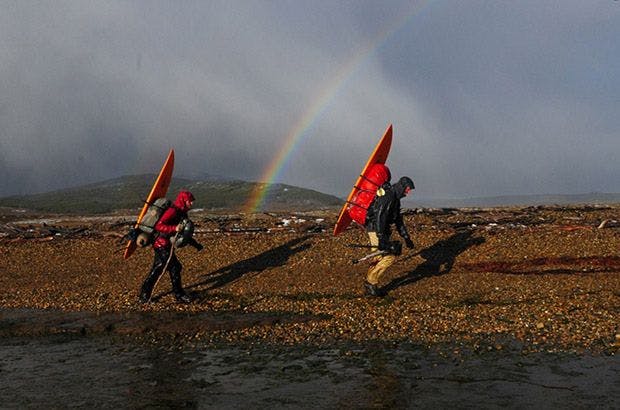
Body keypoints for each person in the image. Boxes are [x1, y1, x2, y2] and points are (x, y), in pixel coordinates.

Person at [139, 190, 203, 304]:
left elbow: (184, 233)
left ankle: (144, 295)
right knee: (175, 267)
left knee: (159, 268)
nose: (192, 204)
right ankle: (178, 294)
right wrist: (174, 228)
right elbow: (159, 226)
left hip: (165, 244)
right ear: (184, 200)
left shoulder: (182, 212)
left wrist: (196, 245)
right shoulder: (172, 211)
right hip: (160, 243)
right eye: (190, 201)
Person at [363, 176, 415, 297]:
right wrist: (381, 238)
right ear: (402, 186)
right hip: (377, 231)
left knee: (378, 258)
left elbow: (398, 220)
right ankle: (371, 283)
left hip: (378, 230)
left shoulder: (395, 199)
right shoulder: (389, 197)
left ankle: (370, 286)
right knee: (389, 257)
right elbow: (380, 217)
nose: (408, 192)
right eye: (408, 189)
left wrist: (406, 237)